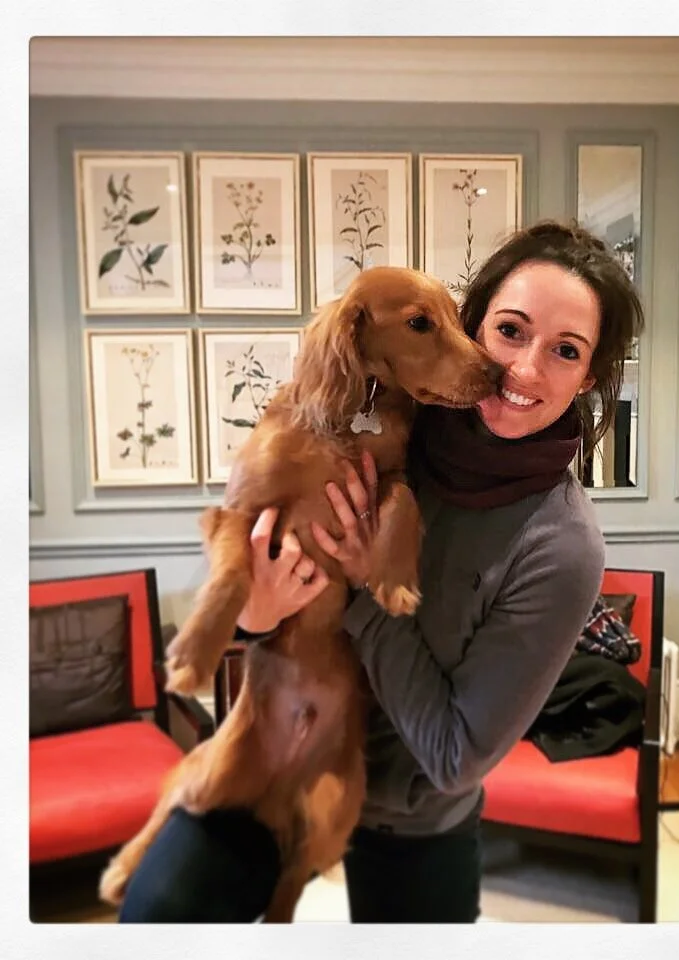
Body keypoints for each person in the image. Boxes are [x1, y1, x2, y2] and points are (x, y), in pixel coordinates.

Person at [119, 220, 645, 924]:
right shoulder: (385, 416)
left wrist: (366, 587)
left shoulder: (562, 545)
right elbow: (256, 539)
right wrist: (255, 617)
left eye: (566, 350)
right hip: (276, 747)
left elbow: (456, 758)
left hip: (410, 818)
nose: (522, 370)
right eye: (510, 331)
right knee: (158, 917)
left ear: (589, 377)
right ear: (474, 326)